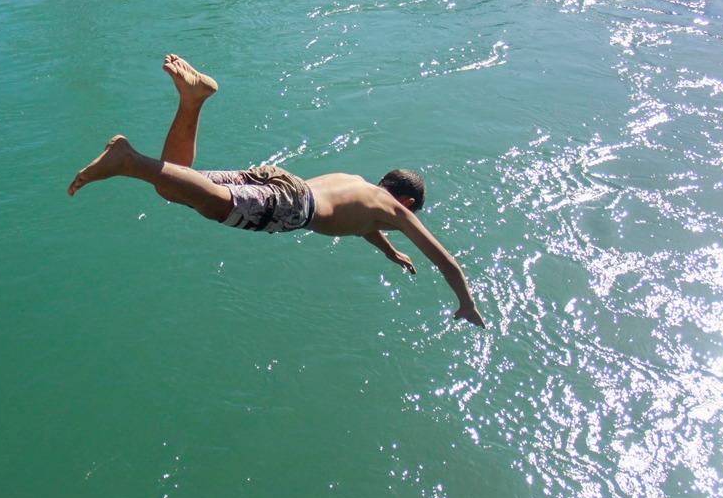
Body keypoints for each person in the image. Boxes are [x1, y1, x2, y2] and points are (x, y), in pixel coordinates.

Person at [68, 55, 486, 328]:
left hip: (283, 180)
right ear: (407, 202)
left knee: (176, 186)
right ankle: (129, 160)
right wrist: (466, 302)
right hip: (294, 207)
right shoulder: (397, 212)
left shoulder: (360, 186)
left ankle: (192, 101)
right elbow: (445, 260)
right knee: (216, 207)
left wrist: (390, 252)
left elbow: (364, 224)